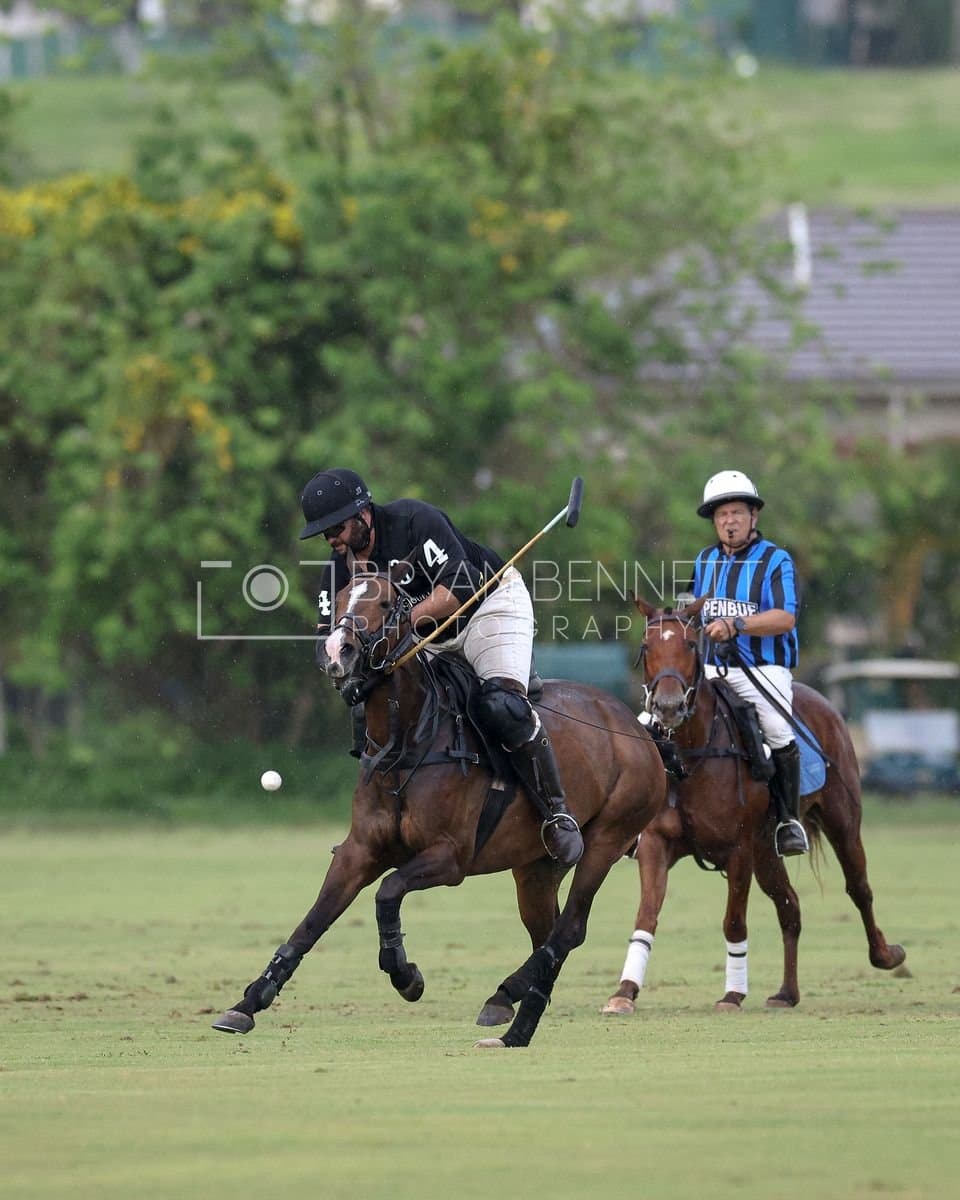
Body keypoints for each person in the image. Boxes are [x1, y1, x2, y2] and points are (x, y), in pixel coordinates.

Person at [298, 467, 584, 867]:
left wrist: (401, 622)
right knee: (376, 705)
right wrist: (336, 661)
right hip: (425, 632)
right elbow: (326, 634)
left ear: (363, 514)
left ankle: (557, 814)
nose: (332, 539)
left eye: (337, 527)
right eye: (324, 533)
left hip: (487, 606)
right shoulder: (339, 567)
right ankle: (381, 825)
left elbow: (459, 587)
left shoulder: (415, 522)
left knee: (503, 706)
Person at [691, 470, 809, 857]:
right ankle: (648, 815)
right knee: (656, 720)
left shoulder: (776, 560)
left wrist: (736, 624)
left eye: (737, 512)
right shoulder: (704, 560)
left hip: (762, 668)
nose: (729, 521)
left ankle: (788, 820)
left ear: (753, 517)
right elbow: (691, 611)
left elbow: (785, 617)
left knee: (777, 729)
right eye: (722, 514)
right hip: (711, 669)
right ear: (714, 520)